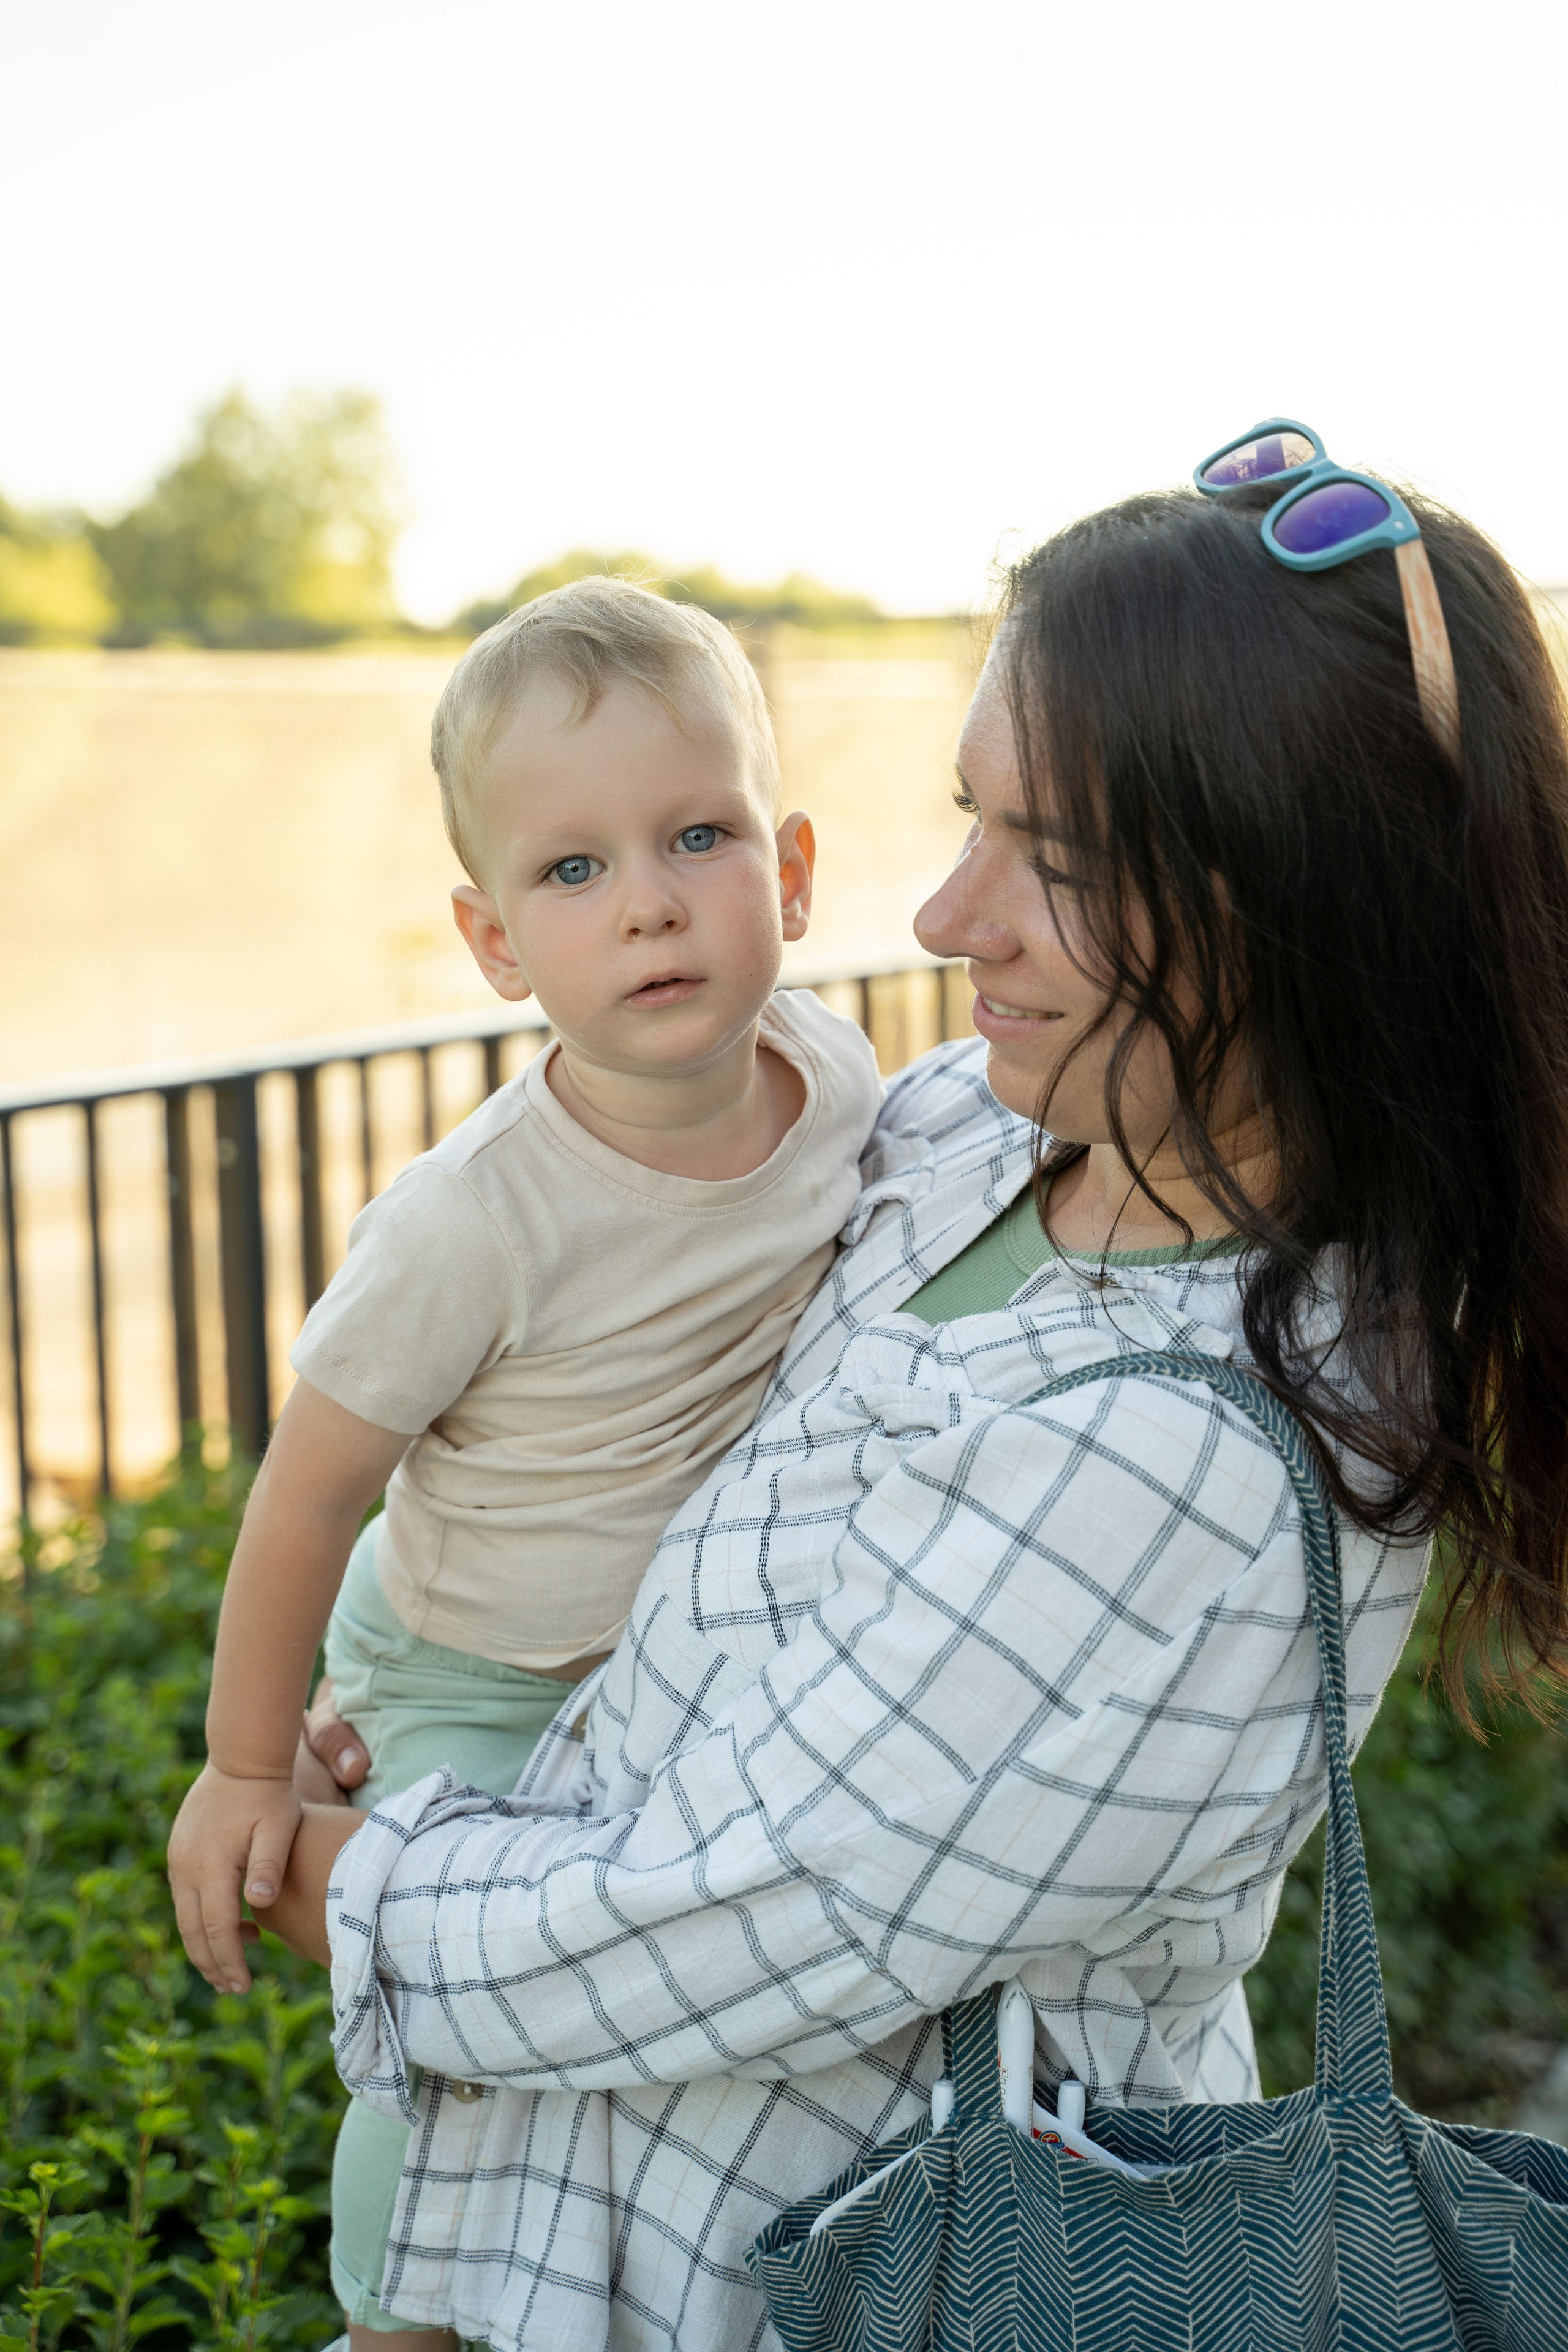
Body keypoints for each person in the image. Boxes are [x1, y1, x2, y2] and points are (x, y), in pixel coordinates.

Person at [261, 453, 1568, 2352]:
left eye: (1064, 862)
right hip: (578, 2203)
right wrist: (417, 1685)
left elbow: (755, 1918)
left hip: (825, 2274)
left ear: (1306, 903)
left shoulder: (1198, 1447)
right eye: (975, 817)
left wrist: (341, 1881)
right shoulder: (977, 1128)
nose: (949, 918)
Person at [165, 576, 883, 2343]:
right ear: (496, 946)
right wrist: (251, 1766)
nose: (647, 902)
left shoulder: (849, 1080)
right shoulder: (473, 1219)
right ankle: (400, 2313)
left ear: (790, 874)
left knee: (672, 2022)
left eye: (696, 836)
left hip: (686, 1669)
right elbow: (309, 1491)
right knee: (463, 2020)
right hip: (479, 1669)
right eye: (574, 873)